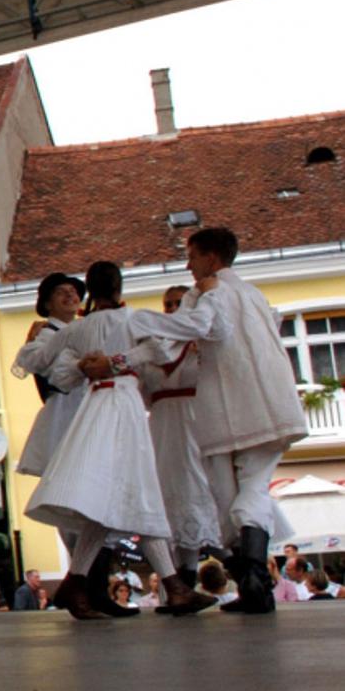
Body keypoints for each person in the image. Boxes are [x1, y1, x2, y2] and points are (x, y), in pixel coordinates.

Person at [125, 227, 309, 614]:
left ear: (211, 258)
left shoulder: (208, 293)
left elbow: (184, 335)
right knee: (242, 496)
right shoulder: (254, 295)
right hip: (260, 408)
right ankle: (254, 583)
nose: (188, 265)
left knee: (232, 501)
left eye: (192, 257)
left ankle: (253, 582)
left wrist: (135, 326)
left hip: (227, 411)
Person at [27, 262, 216, 619]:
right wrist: (204, 296)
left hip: (95, 406)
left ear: (90, 290)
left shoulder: (79, 328)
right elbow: (195, 325)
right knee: (138, 488)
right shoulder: (134, 319)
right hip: (124, 407)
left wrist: (80, 362)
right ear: (118, 288)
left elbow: (37, 361)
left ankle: (79, 582)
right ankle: (174, 587)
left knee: (109, 500)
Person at [140, 284, 220, 589]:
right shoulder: (152, 347)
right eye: (168, 305)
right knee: (168, 491)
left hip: (196, 420)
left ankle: (231, 565)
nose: (172, 309)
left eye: (177, 303)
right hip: (162, 426)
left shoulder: (204, 343)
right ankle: (180, 575)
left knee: (199, 486)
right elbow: (144, 394)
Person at [13, 273, 89, 557]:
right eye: (61, 292)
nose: (70, 295)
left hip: (90, 411)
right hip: (65, 414)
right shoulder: (45, 336)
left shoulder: (86, 329)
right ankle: (79, 559)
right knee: (68, 491)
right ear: (48, 304)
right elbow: (36, 364)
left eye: (73, 291)